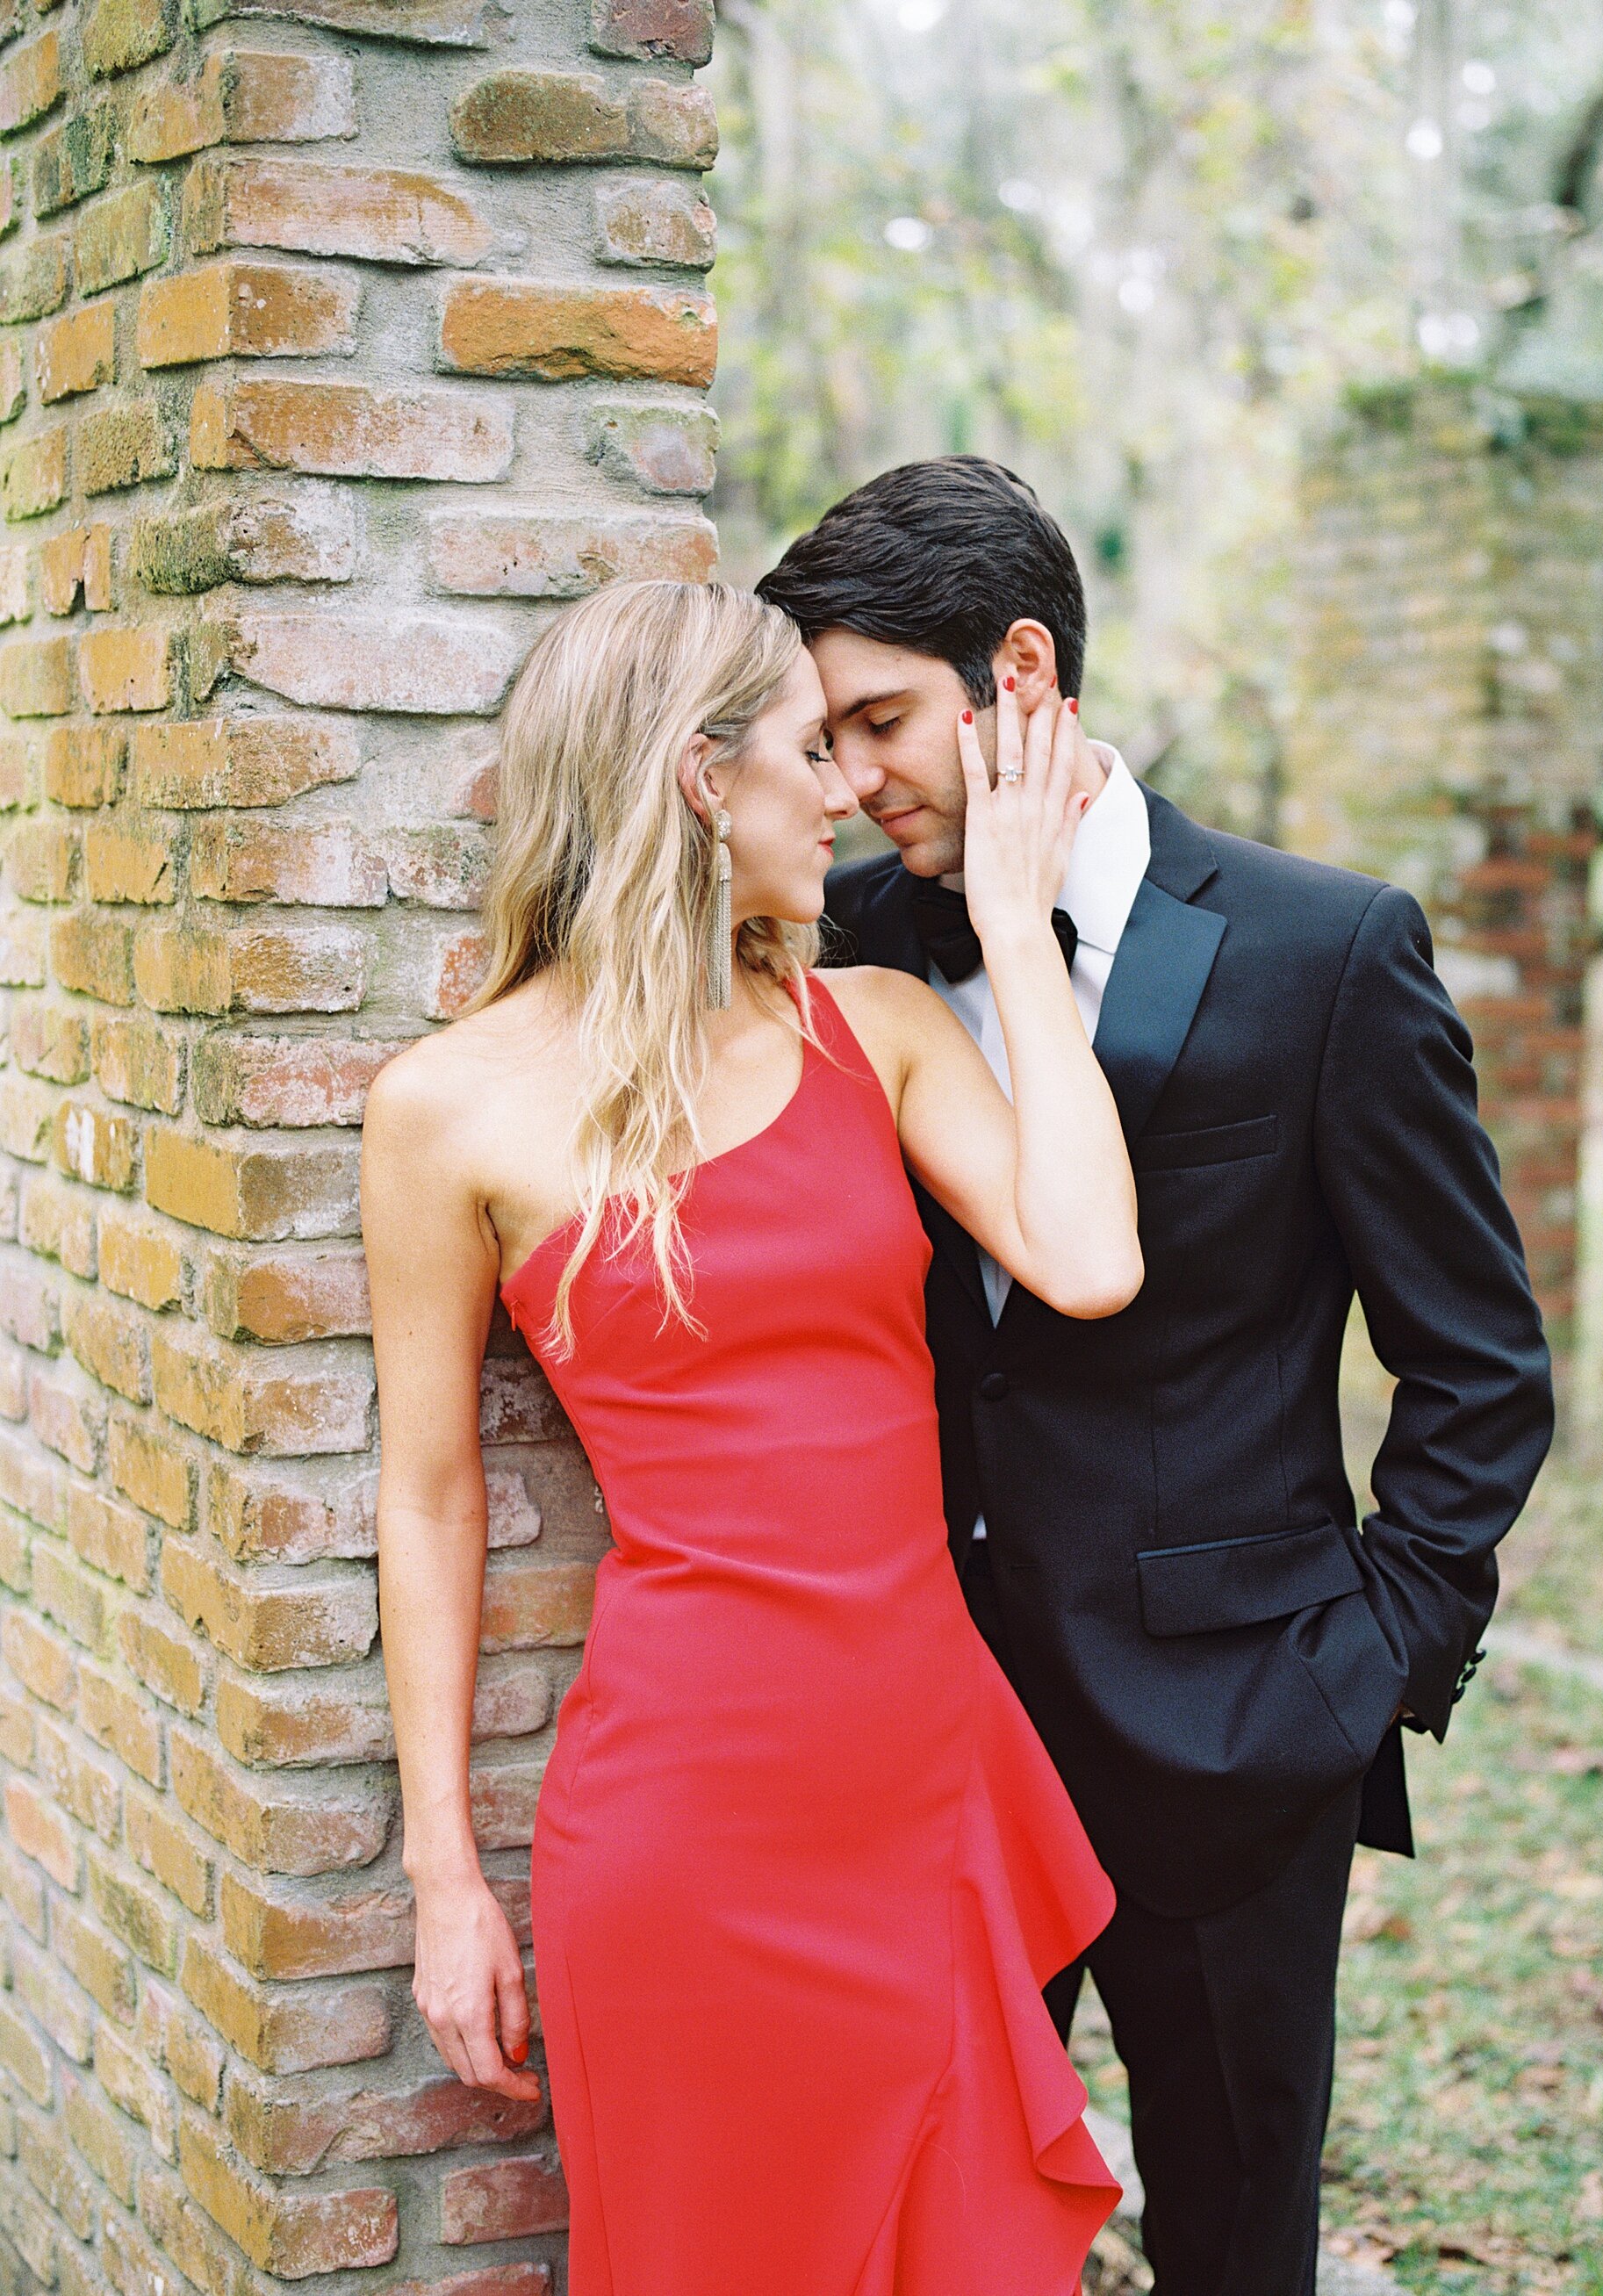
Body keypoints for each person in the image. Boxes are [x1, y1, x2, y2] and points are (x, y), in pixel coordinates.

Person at [758, 456, 1556, 2296]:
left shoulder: (1323, 949)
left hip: (1233, 1734)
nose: (853, 779)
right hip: (928, 1736)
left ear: (1015, 673)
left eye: (878, 719)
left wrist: (1362, 1672)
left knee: (1227, 2237)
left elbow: (1475, 1363)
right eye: (822, 736)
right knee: (938, 2226)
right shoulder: (857, 949)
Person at [361, 578, 1144, 2296]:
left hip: (919, 1789)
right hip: (684, 1835)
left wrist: (1015, 928)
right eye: (810, 750)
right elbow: (426, 1496)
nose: (849, 791)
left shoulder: (876, 1029)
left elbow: (1089, 1262)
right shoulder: (447, 1109)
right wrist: (444, 1881)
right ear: (701, 784)